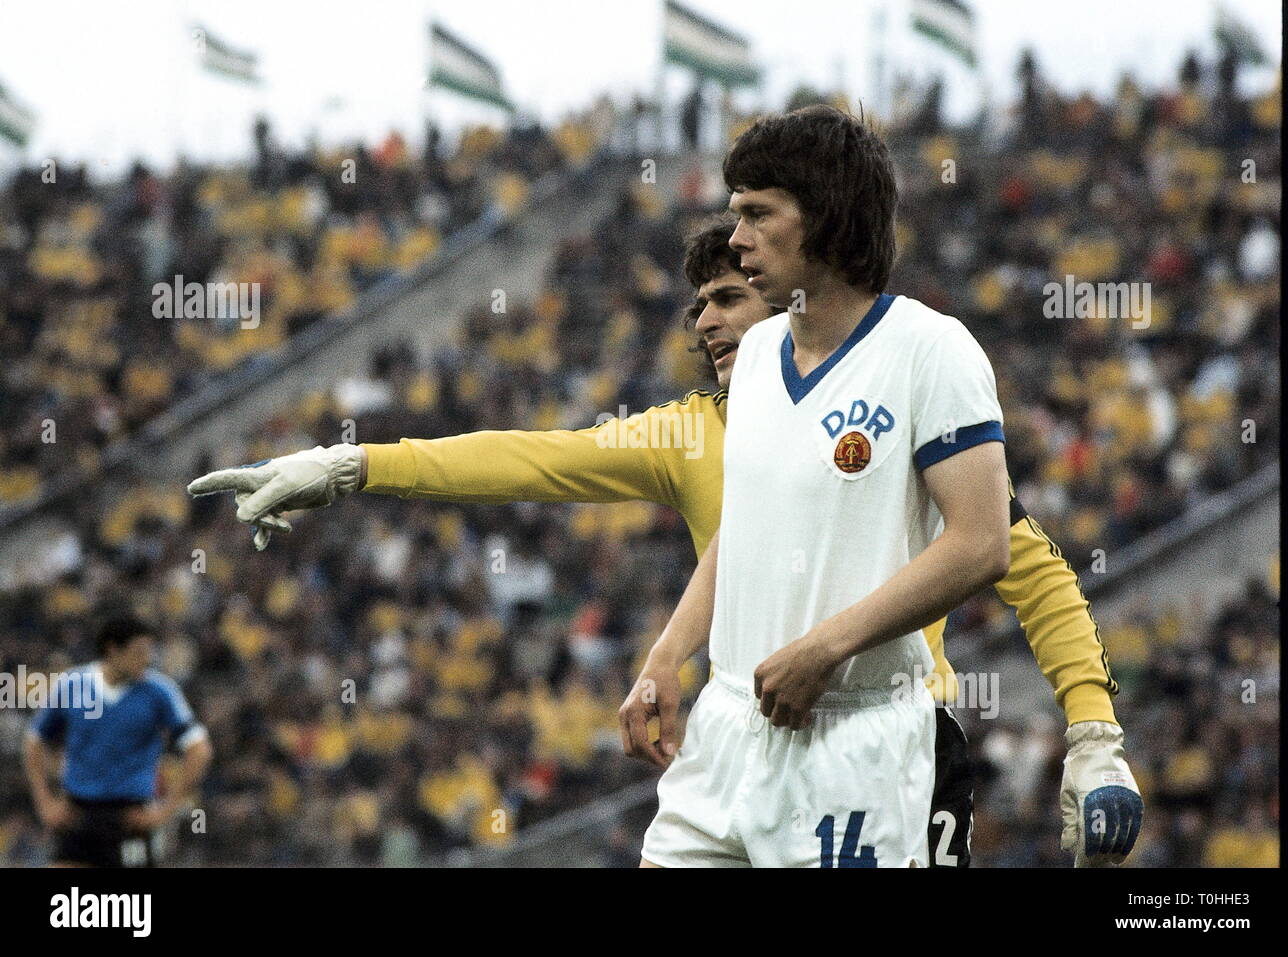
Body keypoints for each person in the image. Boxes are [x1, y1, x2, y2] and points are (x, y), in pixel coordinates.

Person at [187, 134, 1142, 868]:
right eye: (699, 303)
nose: (709, 317)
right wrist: (354, 468)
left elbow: (1020, 563)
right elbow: (529, 461)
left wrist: (1093, 729)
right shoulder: (705, 421)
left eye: (728, 292)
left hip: (883, 737)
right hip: (737, 728)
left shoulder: (914, 371)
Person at [23, 610, 213, 867]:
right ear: (113, 650)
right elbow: (35, 740)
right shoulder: (72, 684)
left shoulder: (159, 691)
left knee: (125, 908)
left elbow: (199, 750)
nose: (147, 660)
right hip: (77, 814)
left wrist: (165, 810)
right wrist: (44, 802)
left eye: (150, 652)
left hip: (129, 816)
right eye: (139, 652)